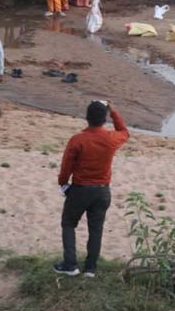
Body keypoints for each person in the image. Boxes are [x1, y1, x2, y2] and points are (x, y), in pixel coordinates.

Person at [54, 100, 129, 277]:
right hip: (102, 190)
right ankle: (90, 268)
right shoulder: (111, 139)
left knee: (68, 223)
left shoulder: (77, 140)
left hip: (80, 189)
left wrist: (63, 183)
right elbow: (125, 132)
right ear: (104, 119)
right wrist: (114, 111)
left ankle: (70, 264)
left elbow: (66, 167)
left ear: (87, 118)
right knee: (96, 229)